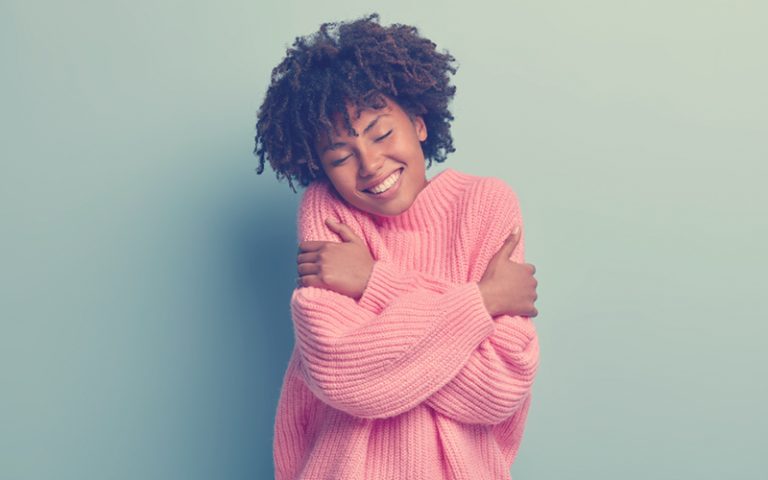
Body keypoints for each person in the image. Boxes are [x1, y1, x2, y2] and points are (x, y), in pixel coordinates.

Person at [254, 13, 540, 480]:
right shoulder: (327, 211)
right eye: (341, 156)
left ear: (420, 124)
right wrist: (481, 302)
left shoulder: (486, 204)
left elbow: (498, 386)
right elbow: (341, 371)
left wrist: (373, 283)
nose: (369, 165)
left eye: (382, 133)